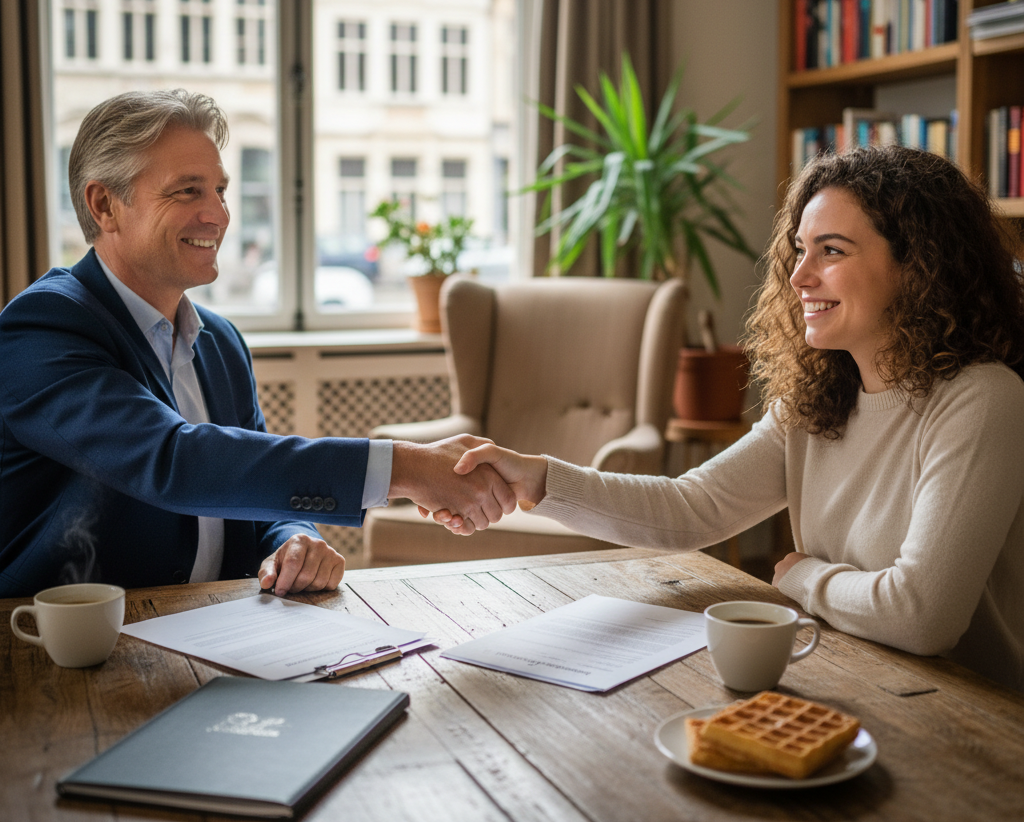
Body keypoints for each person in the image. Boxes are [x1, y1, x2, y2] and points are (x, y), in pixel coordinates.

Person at [439, 146, 1024, 691]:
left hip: (973, 714)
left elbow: (922, 617)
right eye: (801, 249)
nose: (799, 277)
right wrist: (536, 477)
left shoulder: (982, 399)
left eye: (833, 250)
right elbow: (692, 507)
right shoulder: (816, 400)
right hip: (859, 672)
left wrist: (799, 576)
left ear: (917, 266)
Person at [0, 90, 508, 599]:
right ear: (104, 205)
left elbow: (252, 488)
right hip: (56, 647)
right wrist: (409, 467)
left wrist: (293, 538)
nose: (218, 215)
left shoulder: (220, 341)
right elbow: (175, 461)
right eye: (188, 191)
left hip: (214, 625)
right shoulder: (44, 327)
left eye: (220, 190)